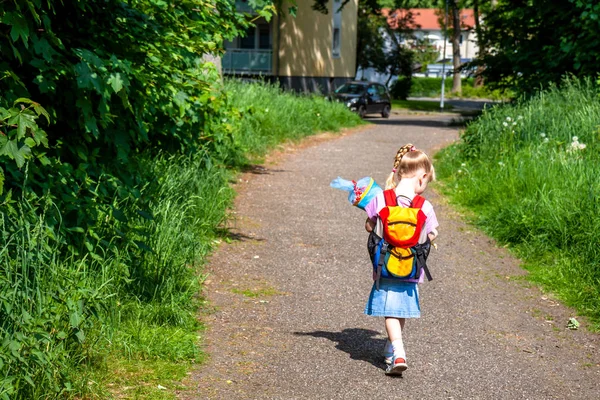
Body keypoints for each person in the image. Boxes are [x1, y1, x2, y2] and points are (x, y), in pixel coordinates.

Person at [363, 143, 439, 376]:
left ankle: (398, 351)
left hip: (385, 265)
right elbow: (433, 232)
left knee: (390, 311)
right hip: (412, 268)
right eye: (426, 182)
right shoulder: (424, 205)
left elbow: (369, 226)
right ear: (422, 176)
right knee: (401, 311)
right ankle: (391, 349)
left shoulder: (381, 198)